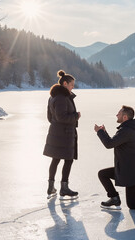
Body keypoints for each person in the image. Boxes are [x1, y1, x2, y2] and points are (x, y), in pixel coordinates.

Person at [43, 70, 81, 200]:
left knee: (56, 159)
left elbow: (50, 117)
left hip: (56, 133)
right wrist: (76, 116)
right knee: (68, 160)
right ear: (65, 83)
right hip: (64, 134)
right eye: (71, 84)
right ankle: (64, 188)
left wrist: (57, 126)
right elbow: (61, 117)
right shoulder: (61, 98)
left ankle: (51, 187)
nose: (73, 87)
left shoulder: (53, 97)